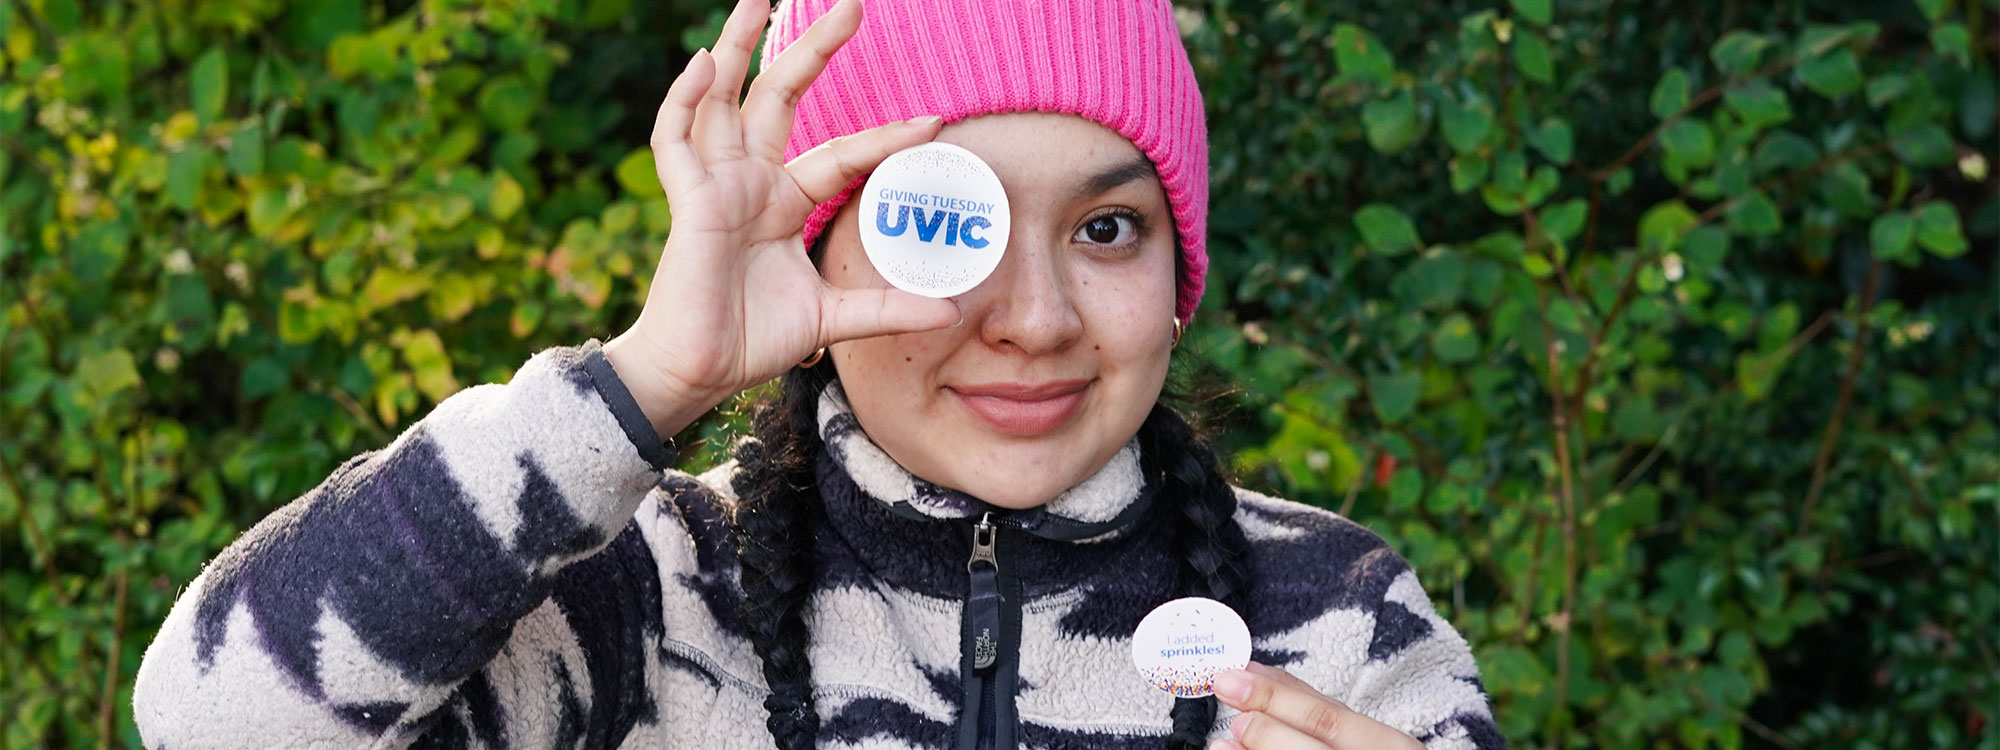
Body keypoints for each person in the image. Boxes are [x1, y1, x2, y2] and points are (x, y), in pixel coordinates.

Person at [132, 0, 1505, 747]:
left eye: (1105, 227)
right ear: (817, 247)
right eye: (950, 224)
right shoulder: (648, 598)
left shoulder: (1331, 626)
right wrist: (645, 378)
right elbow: (209, 719)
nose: (1033, 318)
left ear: (1177, 266)